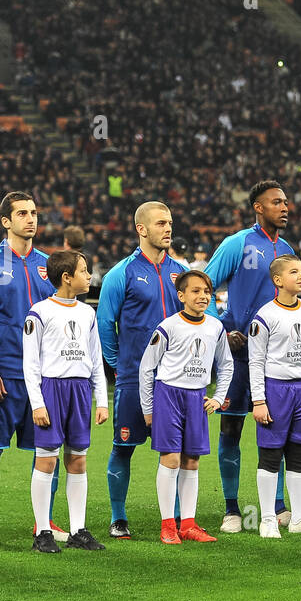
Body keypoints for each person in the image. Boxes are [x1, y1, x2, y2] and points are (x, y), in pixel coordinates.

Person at [205, 181, 297, 532]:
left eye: (286, 202)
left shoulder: (286, 248)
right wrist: (220, 328)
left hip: (277, 354)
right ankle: (232, 509)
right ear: (258, 207)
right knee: (231, 426)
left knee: (276, 427)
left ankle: (276, 506)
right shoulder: (237, 243)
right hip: (240, 352)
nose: (284, 207)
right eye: (276, 202)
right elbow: (205, 283)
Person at [0, 191, 58, 547]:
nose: (31, 219)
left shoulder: (50, 265)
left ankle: (44, 523)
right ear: (6, 222)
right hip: (4, 373)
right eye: (22, 213)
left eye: (34, 212)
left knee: (48, 452)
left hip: (45, 378)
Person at [97, 201, 188, 539]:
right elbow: (105, 323)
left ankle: (177, 518)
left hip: (177, 381)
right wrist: (119, 366)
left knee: (178, 451)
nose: (168, 228)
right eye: (161, 223)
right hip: (135, 380)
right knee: (124, 446)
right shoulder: (121, 273)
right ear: (142, 229)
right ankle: (118, 518)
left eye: (170, 222)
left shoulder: (182, 271)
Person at [22, 250, 109, 554]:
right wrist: (37, 403)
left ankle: (77, 529)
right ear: (66, 277)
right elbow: (30, 363)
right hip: (51, 391)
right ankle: (43, 531)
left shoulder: (88, 313)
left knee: (78, 459)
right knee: (47, 460)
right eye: (85, 271)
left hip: (79, 391)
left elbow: (95, 359)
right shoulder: (40, 312)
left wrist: (102, 400)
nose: (89, 276)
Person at [139, 270, 233, 544]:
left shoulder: (215, 327)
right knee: (171, 459)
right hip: (168, 395)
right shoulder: (168, 327)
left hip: (197, 398)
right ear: (181, 296)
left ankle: (188, 524)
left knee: (192, 461)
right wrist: (148, 409)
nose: (202, 296)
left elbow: (226, 364)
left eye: (206, 291)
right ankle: (168, 524)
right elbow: (147, 367)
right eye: (195, 291)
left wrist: (218, 397)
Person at [248, 255, 301, 537]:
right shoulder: (265, 316)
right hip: (275, 390)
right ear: (277, 280)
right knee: (271, 454)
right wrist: (259, 400)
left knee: (299, 453)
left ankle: (299, 517)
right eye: (294, 272)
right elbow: (255, 361)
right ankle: (268, 519)